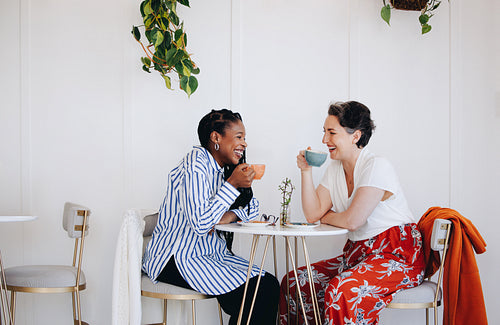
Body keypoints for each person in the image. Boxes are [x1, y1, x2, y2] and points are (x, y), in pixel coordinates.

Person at [279, 101, 425, 325]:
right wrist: (306, 171)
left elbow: (353, 221)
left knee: (342, 290)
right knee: (296, 282)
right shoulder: (335, 169)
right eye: (324, 132)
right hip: (357, 256)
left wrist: (327, 216)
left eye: (331, 132)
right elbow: (312, 215)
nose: (324, 140)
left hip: (397, 257)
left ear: (355, 136)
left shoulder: (377, 166)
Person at [143, 109, 279, 325]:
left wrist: (228, 215)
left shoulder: (224, 169)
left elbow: (253, 208)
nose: (244, 144)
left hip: (211, 254)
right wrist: (232, 185)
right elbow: (201, 224)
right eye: (239, 137)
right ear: (216, 137)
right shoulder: (195, 164)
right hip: (177, 258)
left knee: (269, 285)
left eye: (244, 138)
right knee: (255, 295)